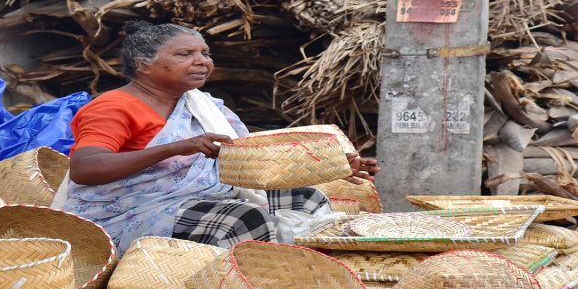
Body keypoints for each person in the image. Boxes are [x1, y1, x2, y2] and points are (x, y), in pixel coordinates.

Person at [51, 20, 378, 252]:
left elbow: (252, 157)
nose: (201, 61)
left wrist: (334, 164)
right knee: (241, 220)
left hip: (202, 199)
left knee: (305, 197)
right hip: (128, 213)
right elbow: (86, 168)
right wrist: (179, 147)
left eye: (204, 53)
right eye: (184, 54)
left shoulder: (204, 105)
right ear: (144, 65)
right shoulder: (114, 106)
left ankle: (301, 278)